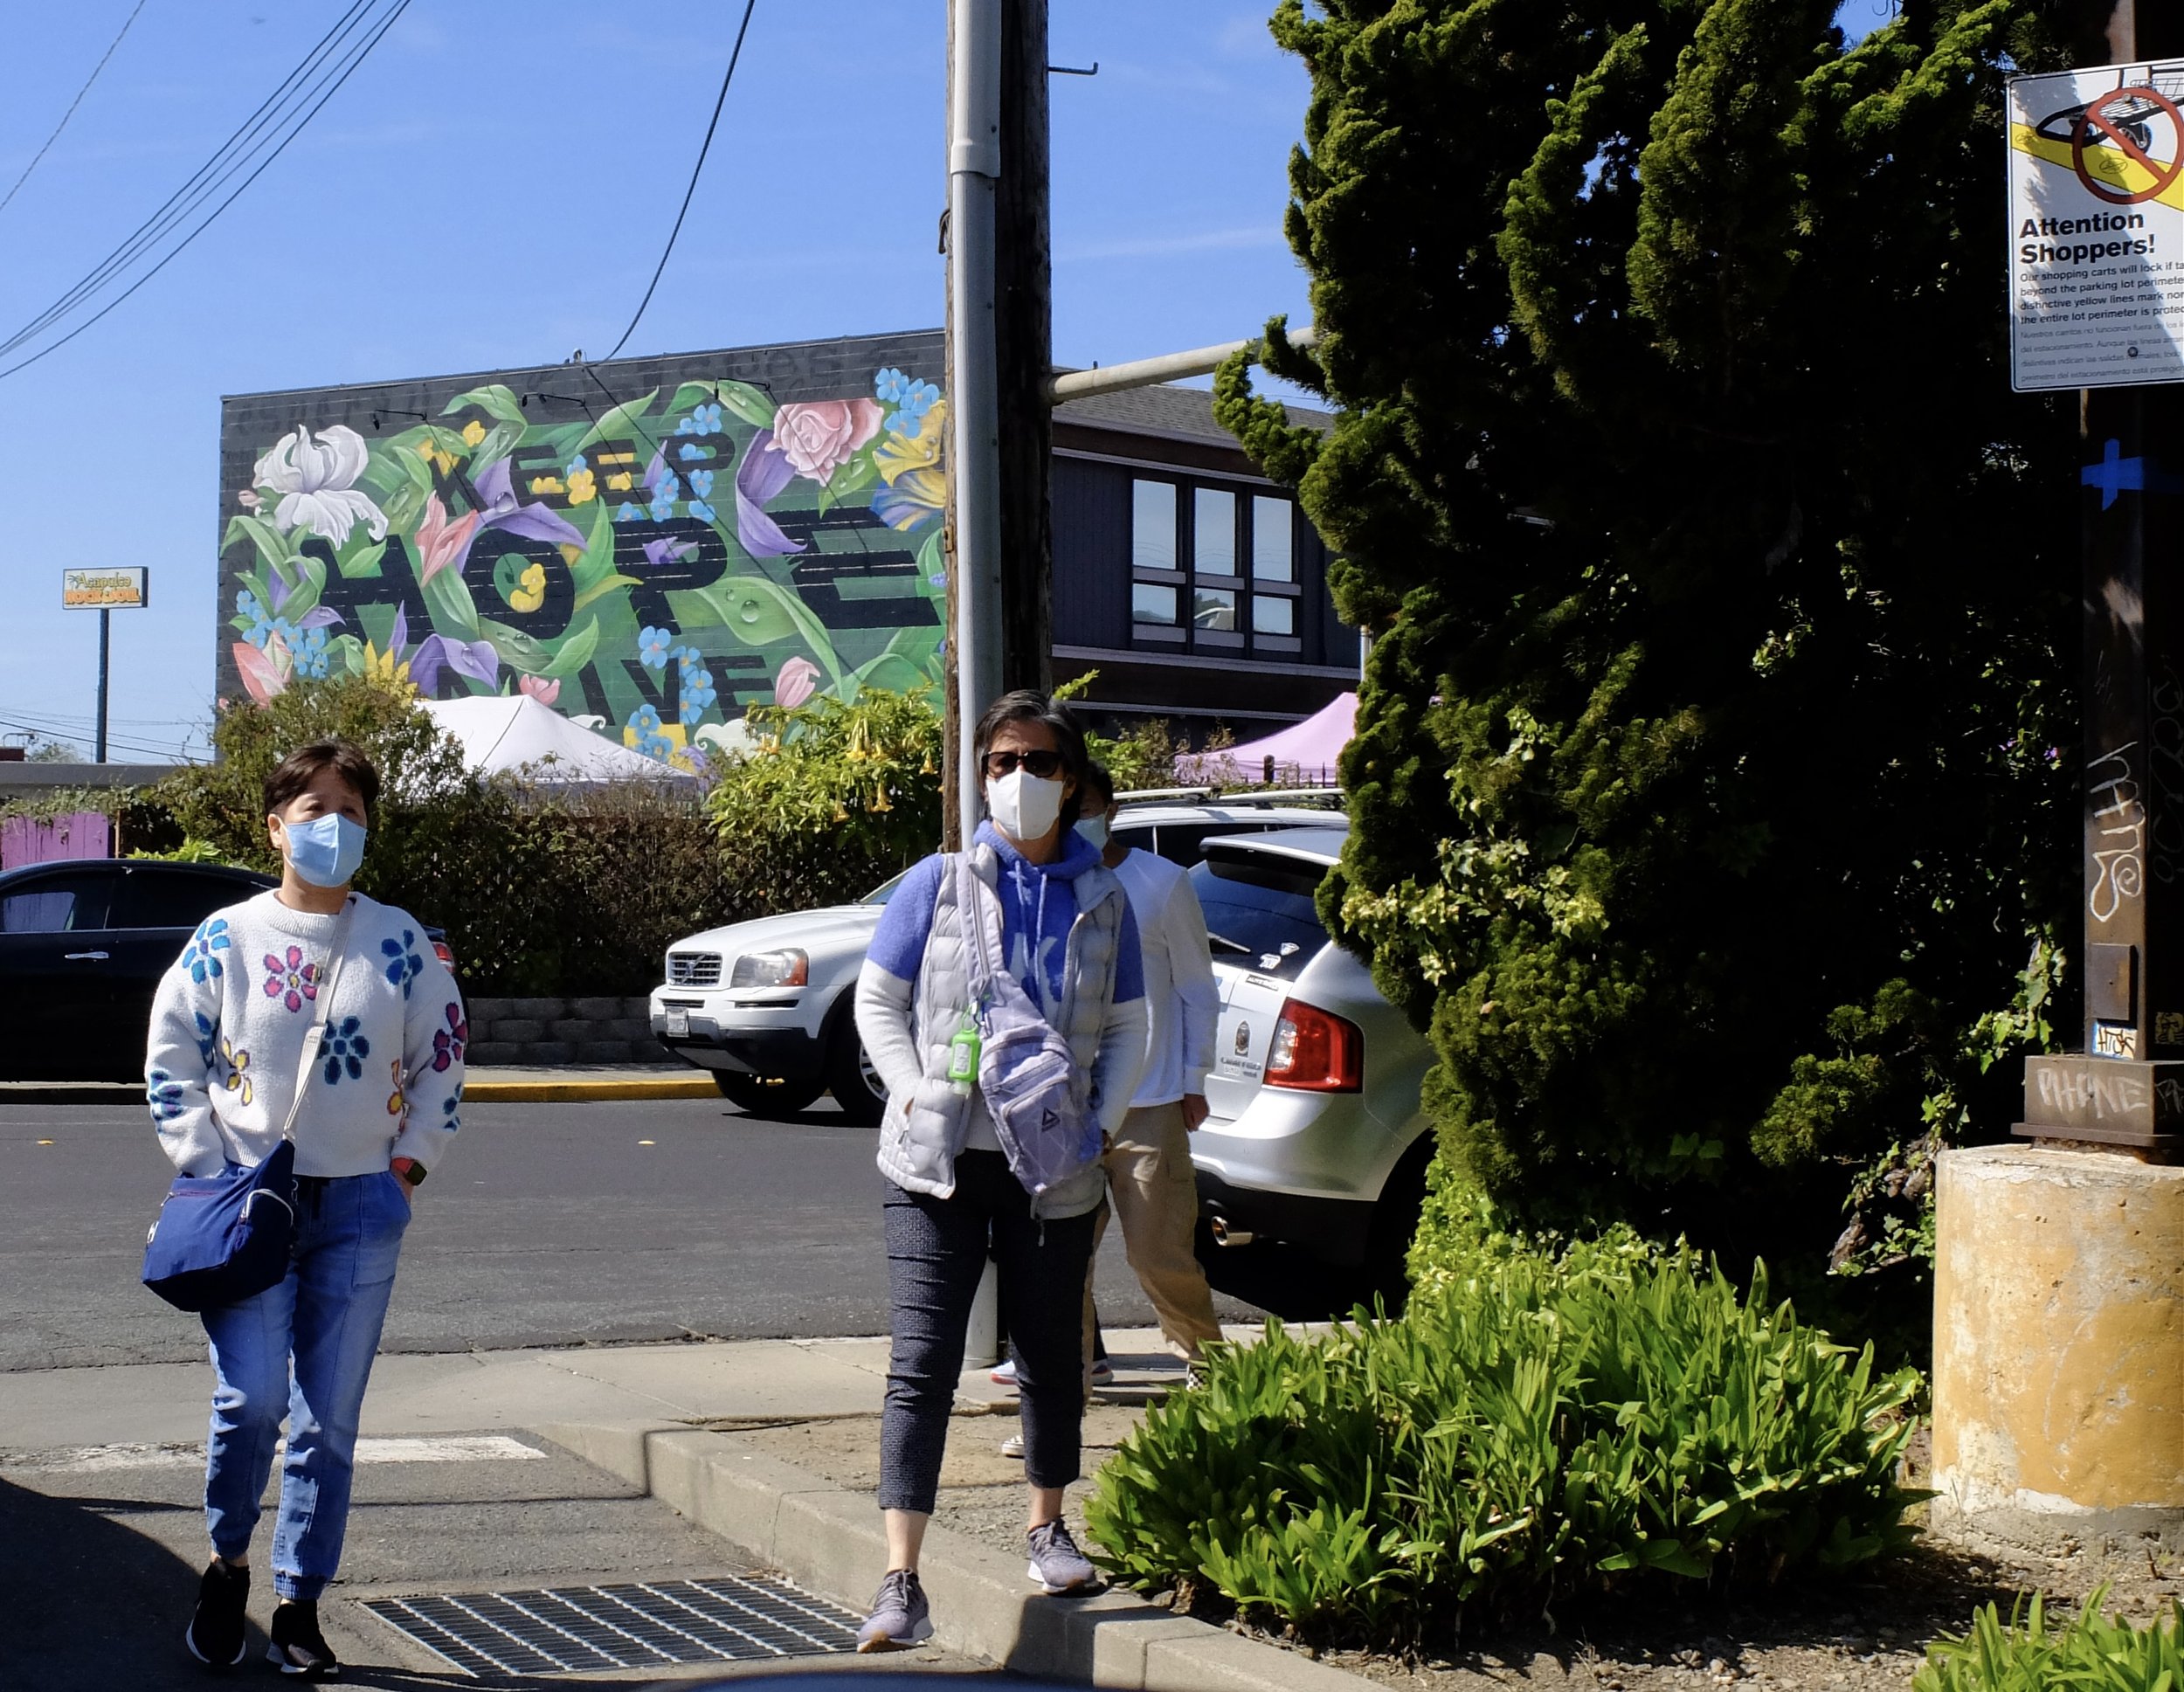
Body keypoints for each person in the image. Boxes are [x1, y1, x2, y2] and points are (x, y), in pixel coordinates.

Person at [147, 740, 465, 1678]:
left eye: (354, 812)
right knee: (251, 1401)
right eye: (317, 807)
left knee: (329, 1420)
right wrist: (206, 1166)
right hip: (252, 1200)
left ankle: (298, 1599)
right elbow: (172, 1055)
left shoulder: (399, 939)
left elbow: (442, 1051)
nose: (336, 826)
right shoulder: (227, 936)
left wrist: (408, 1166)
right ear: (276, 823)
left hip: (363, 1200)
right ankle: (226, 1563)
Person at [851, 690, 1147, 1652]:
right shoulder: (936, 884)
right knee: (922, 1363)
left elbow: (1130, 1023)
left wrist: (1099, 1120)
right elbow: (878, 999)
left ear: (1073, 782)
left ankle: (1046, 1524)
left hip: (1052, 1169)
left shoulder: (1103, 898)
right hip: (937, 1164)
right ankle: (900, 1578)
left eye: (1040, 762)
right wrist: (906, 1089)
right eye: (1002, 762)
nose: (1019, 779)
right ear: (979, 777)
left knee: (1051, 1356)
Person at [1073, 762, 1227, 1363]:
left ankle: (1211, 1370)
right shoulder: (1046, 882)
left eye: (1084, 807)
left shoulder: (1162, 882)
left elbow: (1197, 988)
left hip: (1150, 1103)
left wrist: (1194, 1078)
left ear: (1111, 809)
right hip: (1067, 1107)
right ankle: (1061, 1402)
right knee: (1059, 1266)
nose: (1073, 821)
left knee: (1159, 1256)